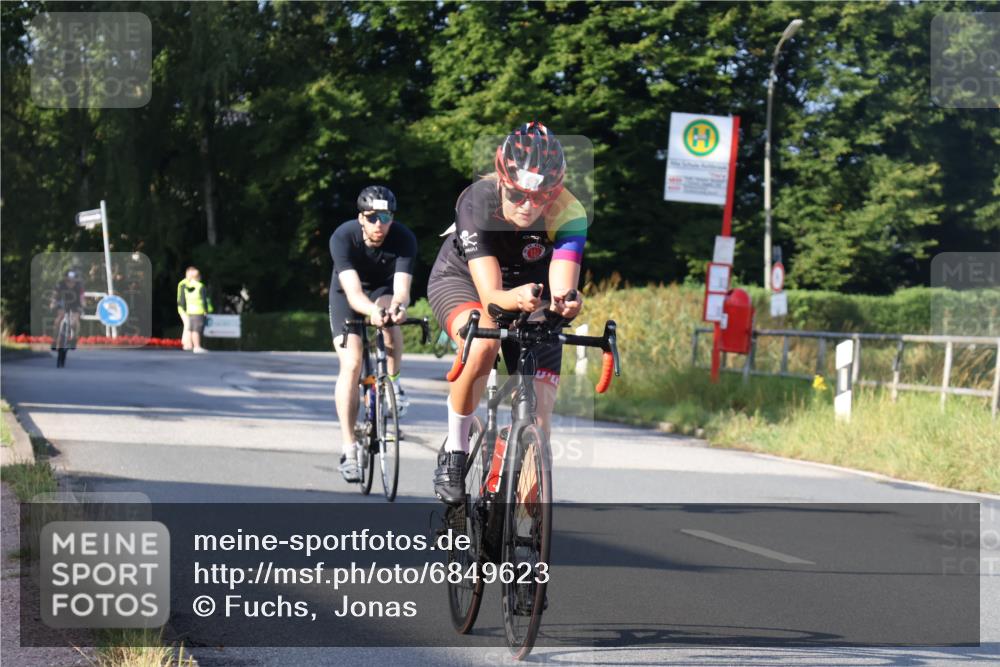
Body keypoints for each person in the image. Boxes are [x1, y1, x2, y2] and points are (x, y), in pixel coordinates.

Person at [427, 121, 588, 504]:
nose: (528, 206)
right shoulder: (476, 200)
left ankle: (518, 510)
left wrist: (566, 302)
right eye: (517, 195)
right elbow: (492, 298)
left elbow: (562, 286)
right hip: (465, 280)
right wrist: (514, 299)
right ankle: (455, 450)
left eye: (542, 196)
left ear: (556, 191)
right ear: (501, 181)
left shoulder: (569, 211)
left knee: (541, 408)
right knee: (483, 344)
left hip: (530, 290)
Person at [329, 185, 417, 483]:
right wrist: (371, 312)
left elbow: (402, 291)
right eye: (372, 217)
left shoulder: (403, 238)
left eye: (386, 217)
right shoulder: (343, 237)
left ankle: (394, 383)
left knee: (391, 320)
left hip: (382, 290)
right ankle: (349, 449)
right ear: (361, 218)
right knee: (352, 363)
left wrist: (398, 308)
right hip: (347, 295)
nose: (380, 224)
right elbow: (354, 294)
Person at [176, 267, 212, 353]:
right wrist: (184, 308)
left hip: (189, 309)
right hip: (189, 310)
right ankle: (188, 345)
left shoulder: (187, 283)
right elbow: (182, 298)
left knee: (189, 327)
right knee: (190, 327)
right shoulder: (186, 284)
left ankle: (189, 345)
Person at [50, 269, 85, 349]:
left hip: (75, 304)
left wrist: (83, 303)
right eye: (68, 281)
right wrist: (53, 302)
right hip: (63, 302)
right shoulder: (60, 284)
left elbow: (82, 297)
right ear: (65, 279)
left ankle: (74, 339)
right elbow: (55, 295)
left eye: (73, 281)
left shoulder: (79, 286)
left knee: (74, 322)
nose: (70, 283)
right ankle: (54, 340)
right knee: (58, 319)